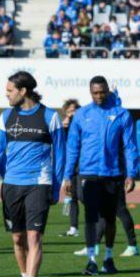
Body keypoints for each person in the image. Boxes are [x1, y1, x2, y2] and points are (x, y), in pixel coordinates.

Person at [0, 71, 66, 277]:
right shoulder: (6, 116)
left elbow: (61, 154)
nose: (6, 95)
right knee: (17, 239)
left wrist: (56, 186)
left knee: (34, 236)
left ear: (23, 91)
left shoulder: (50, 116)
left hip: (39, 183)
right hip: (11, 185)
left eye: (10, 91)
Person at [63, 76, 139, 276]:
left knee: (110, 219)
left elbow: (130, 146)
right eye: (95, 93)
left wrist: (131, 174)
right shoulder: (81, 115)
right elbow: (72, 147)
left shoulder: (121, 114)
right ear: (90, 92)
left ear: (107, 91)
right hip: (87, 174)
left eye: (102, 92)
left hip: (113, 174)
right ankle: (91, 260)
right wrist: (68, 175)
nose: (99, 96)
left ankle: (108, 258)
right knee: (90, 218)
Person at [59, 99, 81, 238]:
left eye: (74, 110)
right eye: (69, 112)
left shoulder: (83, 123)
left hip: (84, 166)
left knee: (84, 197)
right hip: (71, 167)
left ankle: (98, 224)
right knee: (72, 197)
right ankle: (73, 228)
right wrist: (63, 128)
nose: (72, 114)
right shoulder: (64, 127)